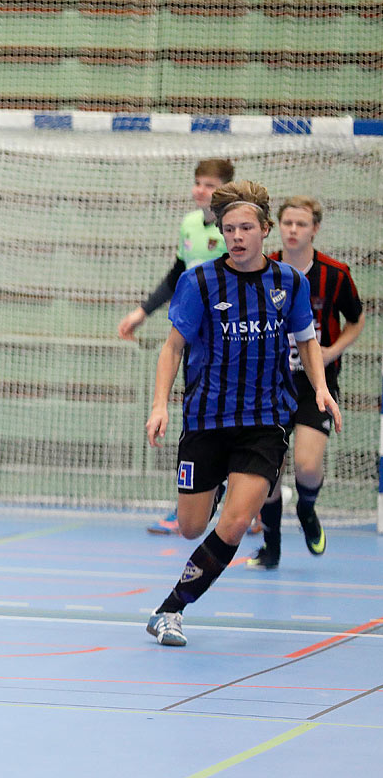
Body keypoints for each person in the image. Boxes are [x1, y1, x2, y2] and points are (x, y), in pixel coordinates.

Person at [143, 181, 340, 647]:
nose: (236, 236)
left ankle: (171, 610)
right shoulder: (200, 282)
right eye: (229, 228)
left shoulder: (290, 283)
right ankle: (214, 491)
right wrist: (159, 404)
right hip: (207, 420)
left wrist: (319, 388)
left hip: (265, 422)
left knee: (233, 525)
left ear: (265, 230)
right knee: (192, 526)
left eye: (246, 227)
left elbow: (307, 340)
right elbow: (172, 349)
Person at [119, 158, 238, 535]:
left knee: (234, 415)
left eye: (209, 184)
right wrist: (142, 312)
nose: (200, 190)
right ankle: (193, 501)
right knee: (197, 415)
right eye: (198, 183)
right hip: (194, 336)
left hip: (232, 337)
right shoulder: (189, 224)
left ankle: (251, 500)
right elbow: (177, 275)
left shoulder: (234, 231)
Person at [246, 196, 365, 569]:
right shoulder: (264, 269)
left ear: (314, 228)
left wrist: (331, 352)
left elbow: (356, 320)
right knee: (268, 470)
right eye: (287, 224)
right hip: (269, 384)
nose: (293, 230)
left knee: (307, 466)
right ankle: (272, 547)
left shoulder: (335, 274)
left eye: (301, 224)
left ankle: (308, 511)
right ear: (277, 228)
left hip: (316, 384)